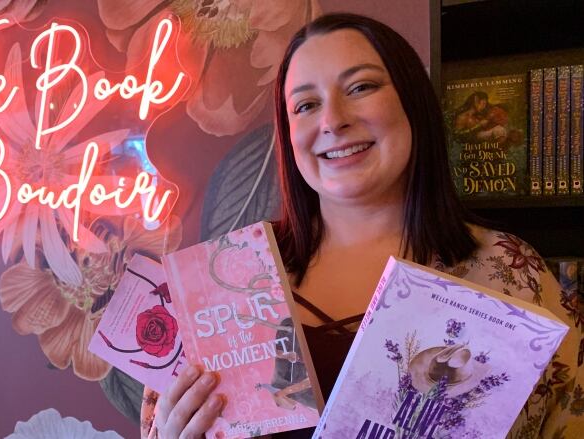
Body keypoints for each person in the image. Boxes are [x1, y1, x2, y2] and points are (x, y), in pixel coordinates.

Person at [139, 13, 581, 439]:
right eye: (306, 105)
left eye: (361, 86)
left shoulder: (511, 273)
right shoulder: (223, 283)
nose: (333, 120)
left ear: (412, 101)